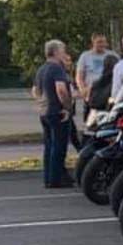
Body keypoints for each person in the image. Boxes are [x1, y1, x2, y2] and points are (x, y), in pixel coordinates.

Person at [36, 39, 75, 188]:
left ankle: (48, 177)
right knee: (59, 147)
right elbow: (61, 89)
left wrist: (41, 102)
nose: (64, 54)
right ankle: (56, 179)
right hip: (57, 111)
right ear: (56, 52)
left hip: (45, 111)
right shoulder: (57, 69)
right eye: (63, 51)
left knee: (49, 145)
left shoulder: (42, 69)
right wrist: (67, 107)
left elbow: (36, 90)